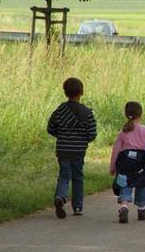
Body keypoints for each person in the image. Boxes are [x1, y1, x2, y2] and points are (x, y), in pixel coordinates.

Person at [47, 77, 98, 219]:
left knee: (64, 175)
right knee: (77, 177)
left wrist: (62, 136)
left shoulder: (60, 110)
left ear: (65, 92)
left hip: (63, 149)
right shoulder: (87, 113)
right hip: (79, 150)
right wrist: (83, 140)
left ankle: (60, 197)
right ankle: (77, 206)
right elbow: (92, 133)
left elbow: (50, 128)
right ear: (81, 92)